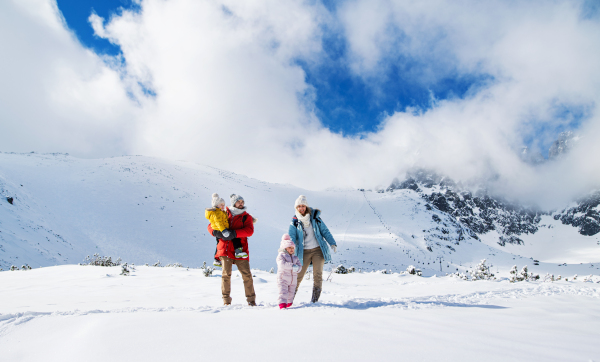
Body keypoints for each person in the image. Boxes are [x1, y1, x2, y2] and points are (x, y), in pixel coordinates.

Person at [208, 194, 257, 306]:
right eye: (238, 201)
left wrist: (234, 233)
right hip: (225, 249)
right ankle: (226, 301)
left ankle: (251, 300)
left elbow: (249, 231)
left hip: (241, 250)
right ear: (233, 203)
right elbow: (211, 224)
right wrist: (215, 232)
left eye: (242, 201)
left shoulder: (246, 217)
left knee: (247, 275)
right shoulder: (224, 213)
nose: (241, 203)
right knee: (226, 275)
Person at [288, 195, 337, 303]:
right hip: (303, 252)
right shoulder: (295, 221)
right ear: (296, 208)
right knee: (298, 276)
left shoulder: (314, 218)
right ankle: (289, 300)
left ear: (306, 206)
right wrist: (288, 247)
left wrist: (332, 243)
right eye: (299, 206)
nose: (301, 208)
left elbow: (325, 231)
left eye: (303, 206)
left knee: (317, 275)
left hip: (318, 251)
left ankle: (314, 301)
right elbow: (291, 236)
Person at [205, 193, 247, 267]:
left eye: (223, 205)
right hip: (220, 230)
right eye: (221, 205)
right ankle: (236, 252)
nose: (223, 206)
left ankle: (217, 259)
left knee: (219, 244)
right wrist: (223, 230)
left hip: (220, 230)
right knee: (233, 238)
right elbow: (218, 223)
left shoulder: (221, 212)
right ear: (216, 205)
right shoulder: (217, 213)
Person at [276, 234, 302, 309]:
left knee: (291, 293)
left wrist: (297, 268)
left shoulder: (295, 257)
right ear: (284, 248)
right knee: (283, 292)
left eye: (293, 248)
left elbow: (300, 266)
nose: (291, 249)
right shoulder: (281, 256)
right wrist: (292, 266)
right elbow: (282, 264)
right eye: (289, 247)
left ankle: (289, 304)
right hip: (283, 278)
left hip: (293, 280)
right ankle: (282, 305)